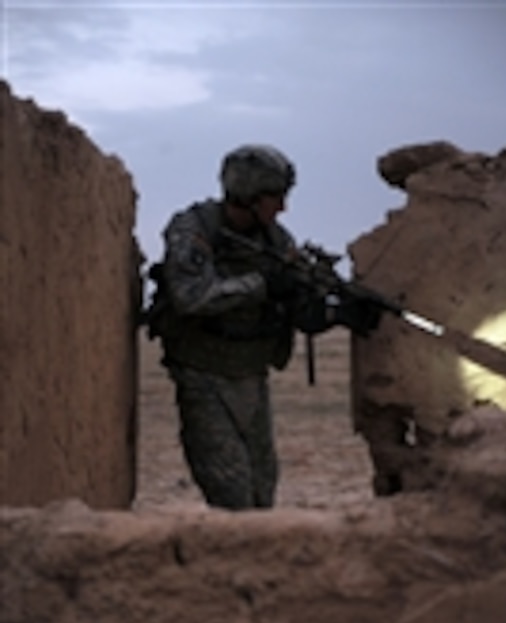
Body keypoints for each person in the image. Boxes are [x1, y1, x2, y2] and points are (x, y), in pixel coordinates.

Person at [146, 144, 379, 510]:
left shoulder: (276, 240)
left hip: (252, 376)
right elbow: (191, 296)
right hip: (203, 374)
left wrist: (337, 313)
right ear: (249, 195)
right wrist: (262, 285)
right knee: (232, 494)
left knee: (262, 488)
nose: (283, 208)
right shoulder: (195, 229)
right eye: (276, 197)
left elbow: (297, 309)